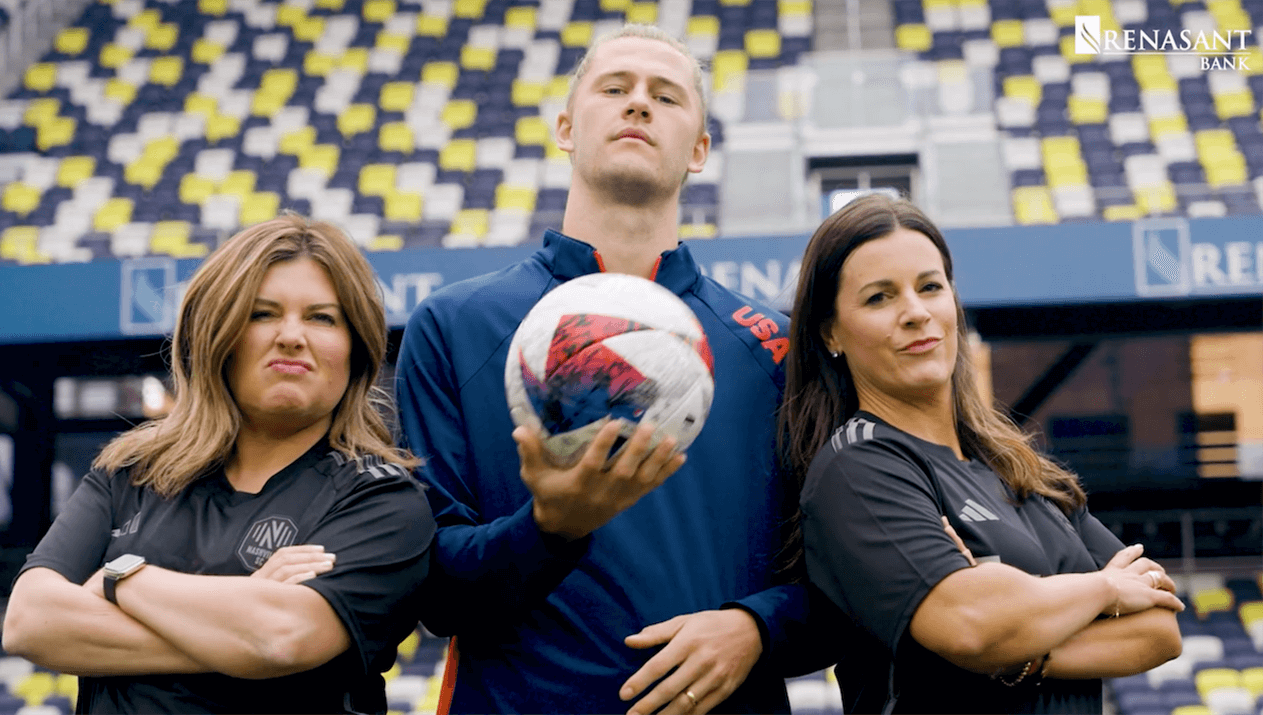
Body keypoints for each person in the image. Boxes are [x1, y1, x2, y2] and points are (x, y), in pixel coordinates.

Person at [395, 23, 838, 715]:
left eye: (665, 95)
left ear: (699, 149)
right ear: (567, 127)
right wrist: (548, 528)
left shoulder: (777, 346)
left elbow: (842, 582)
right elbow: (432, 590)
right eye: (615, 88)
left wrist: (758, 626)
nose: (638, 104)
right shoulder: (455, 325)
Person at [3, 215, 435, 715]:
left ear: (355, 350)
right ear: (218, 336)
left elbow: (280, 637)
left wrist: (117, 579)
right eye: (262, 313)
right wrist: (239, 615)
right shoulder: (131, 473)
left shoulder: (383, 501)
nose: (292, 336)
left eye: (322, 318)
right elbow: (30, 620)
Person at [780, 193, 1184, 714]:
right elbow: (971, 624)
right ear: (830, 331)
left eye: (930, 287)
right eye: (880, 298)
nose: (916, 313)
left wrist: (1020, 645)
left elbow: (1159, 627)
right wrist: (1104, 589)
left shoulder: (1019, 468)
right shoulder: (858, 469)